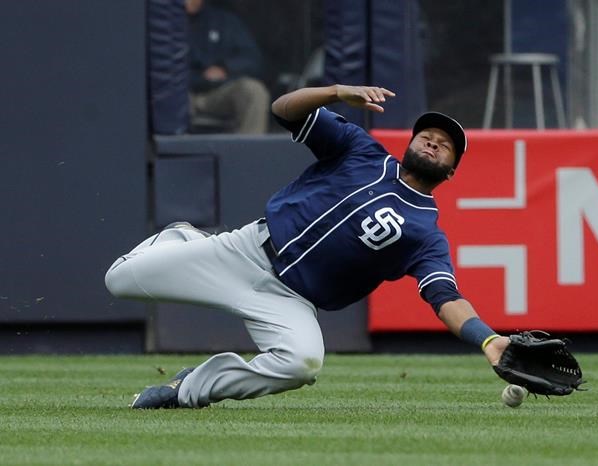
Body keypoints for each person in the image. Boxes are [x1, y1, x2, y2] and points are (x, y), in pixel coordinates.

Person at [105, 84, 510, 409]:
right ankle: (183, 237)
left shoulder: (426, 233)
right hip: (243, 252)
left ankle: (189, 389)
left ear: (452, 170)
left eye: (445, 144)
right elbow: (284, 110)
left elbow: (445, 297)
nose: (433, 142)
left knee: (302, 363)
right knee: (118, 280)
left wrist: (489, 341)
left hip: (290, 299)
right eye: (427, 135)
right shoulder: (362, 151)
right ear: (411, 141)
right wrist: (334, 92)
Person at [185, 0, 270, 134]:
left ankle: (249, 152)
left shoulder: (223, 21)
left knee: (254, 91)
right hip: (182, 95)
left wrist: (226, 68)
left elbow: (253, 59)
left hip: (218, 93)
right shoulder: (164, 25)